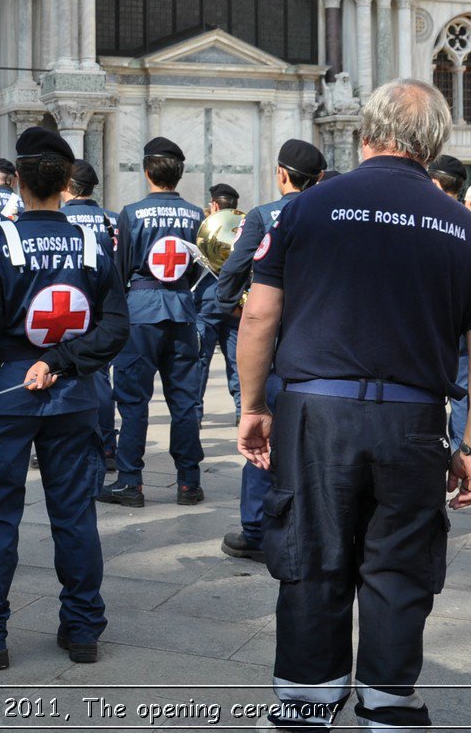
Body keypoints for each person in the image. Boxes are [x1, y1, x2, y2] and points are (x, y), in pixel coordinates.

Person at [236, 80, 471, 729]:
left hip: (315, 414)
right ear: (435, 142)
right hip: (410, 421)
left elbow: (258, 315)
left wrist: (252, 404)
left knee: (311, 552)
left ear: (365, 133)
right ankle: (388, 704)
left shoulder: (304, 209)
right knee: (399, 560)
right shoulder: (468, 229)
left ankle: (307, 703)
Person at [0, 127, 129, 670]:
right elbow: (116, 328)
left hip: (4, 397)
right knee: (74, 515)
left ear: (19, 180)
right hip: (75, 400)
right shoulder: (95, 243)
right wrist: (65, 360)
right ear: (66, 183)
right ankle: (82, 630)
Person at [212, 140, 325, 563]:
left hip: (278, 347)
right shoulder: (335, 214)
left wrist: (236, 305)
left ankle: (257, 530)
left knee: (262, 436)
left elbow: (232, 275)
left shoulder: (261, 216)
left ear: (281, 174)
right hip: (322, 347)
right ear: (317, 178)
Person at [99, 136, 206, 508]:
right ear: (180, 173)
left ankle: (130, 482)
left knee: (132, 402)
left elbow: (119, 268)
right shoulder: (198, 215)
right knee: (184, 402)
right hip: (181, 309)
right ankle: (189, 483)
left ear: (147, 172)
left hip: (140, 311)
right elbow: (203, 267)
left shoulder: (131, 213)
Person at [60, 159, 119, 466]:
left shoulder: (58, 218)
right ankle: (107, 445)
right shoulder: (112, 219)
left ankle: (62, 443)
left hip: (62, 308)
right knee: (100, 379)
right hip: (101, 312)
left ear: (67, 186)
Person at [428, 154, 471, 448]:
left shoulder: (421, 218)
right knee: (462, 391)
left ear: (435, 182)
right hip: (463, 318)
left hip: (429, 320)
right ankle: (462, 450)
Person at [192, 181, 243, 422]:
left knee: (201, 358)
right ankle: (243, 412)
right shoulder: (244, 226)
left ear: (214, 205)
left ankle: (195, 413)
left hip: (208, 300)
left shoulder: (206, 228)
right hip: (235, 300)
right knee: (237, 360)